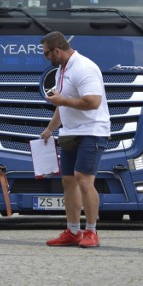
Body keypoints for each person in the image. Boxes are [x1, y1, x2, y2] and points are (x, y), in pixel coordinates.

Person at [39, 31, 110, 248]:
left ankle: (91, 231)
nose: (45, 58)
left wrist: (63, 100)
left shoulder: (84, 68)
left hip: (92, 130)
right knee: (68, 181)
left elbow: (93, 102)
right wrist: (50, 129)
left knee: (84, 179)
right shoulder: (62, 69)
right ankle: (72, 231)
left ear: (57, 50)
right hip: (70, 132)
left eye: (46, 53)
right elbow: (63, 104)